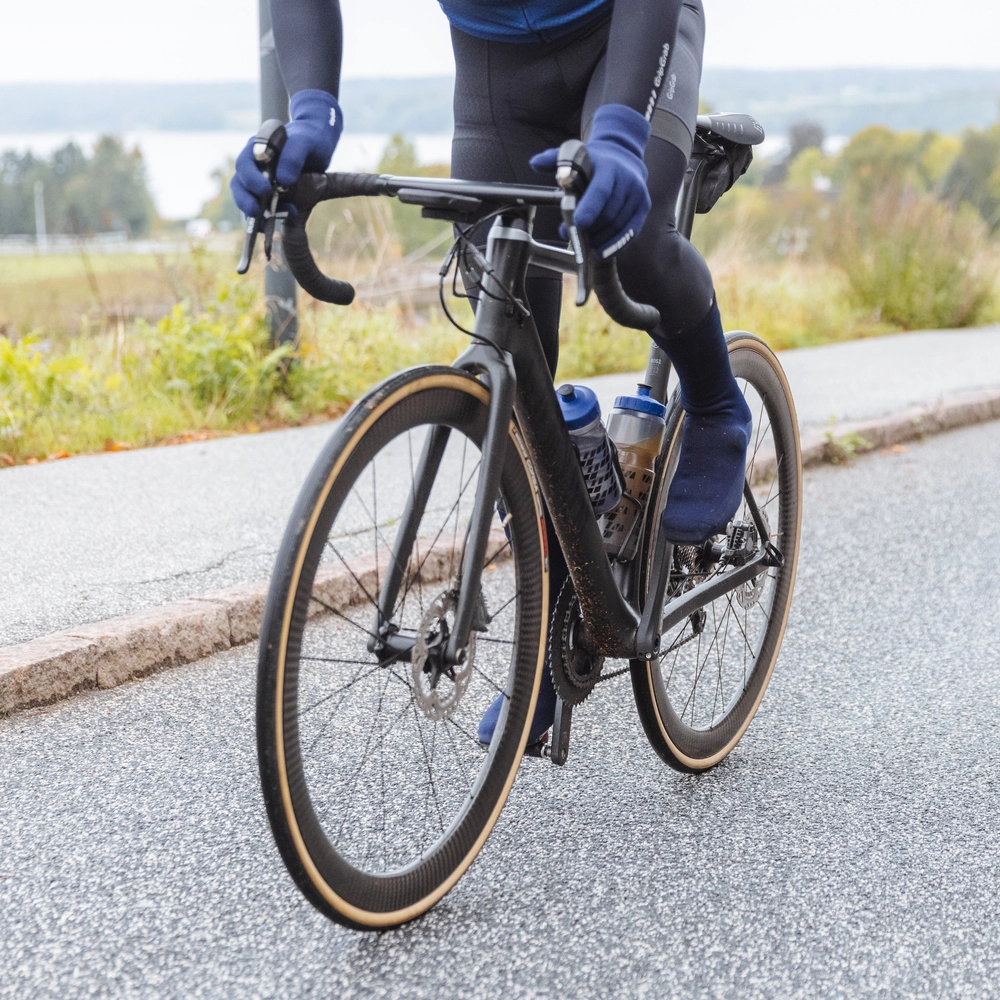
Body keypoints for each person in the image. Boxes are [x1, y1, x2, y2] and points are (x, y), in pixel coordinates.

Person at [232, 0, 753, 747]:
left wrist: (617, 130)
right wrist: (310, 107)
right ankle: (551, 627)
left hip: (627, 33)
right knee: (510, 348)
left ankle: (714, 402)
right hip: (495, 67)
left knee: (636, 244)